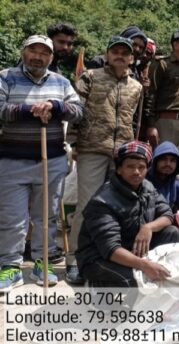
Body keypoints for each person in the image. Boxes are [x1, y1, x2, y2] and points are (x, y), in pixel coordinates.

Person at [0, 35, 84, 291]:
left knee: (46, 217)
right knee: (12, 218)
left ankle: (43, 261)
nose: (38, 56)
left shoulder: (61, 82)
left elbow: (79, 111)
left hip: (52, 159)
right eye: (33, 51)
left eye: (44, 53)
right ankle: (10, 266)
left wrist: (56, 107)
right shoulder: (6, 76)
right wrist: (29, 110)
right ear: (24, 52)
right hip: (12, 160)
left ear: (51, 57)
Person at [66, 36, 143, 285]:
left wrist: (132, 151)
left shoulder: (136, 86)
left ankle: (110, 255)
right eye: (116, 51)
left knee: (119, 206)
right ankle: (75, 260)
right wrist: (74, 144)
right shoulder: (90, 76)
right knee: (87, 204)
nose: (120, 55)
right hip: (92, 148)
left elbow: (135, 122)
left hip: (122, 154)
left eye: (125, 52)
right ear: (108, 54)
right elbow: (76, 111)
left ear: (131, 58)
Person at [76, 141, 179, 288]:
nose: (136, 172)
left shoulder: (148, 187)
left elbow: (168, 215)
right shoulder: (102, 201)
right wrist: (144, 265)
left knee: (172, 233)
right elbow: (111, 249)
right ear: (119, 169)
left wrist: (148, 228)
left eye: (141, 167)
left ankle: (154, 273)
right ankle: (95, 287)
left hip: (133, 248)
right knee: (135, 282)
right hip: (100, 258)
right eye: (130, 166)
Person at [143, 28, 179, 147]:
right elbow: (150, 95)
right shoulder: (162, 64)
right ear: (176, 44)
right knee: (165, 161)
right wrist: (151, 125)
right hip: (166, 122)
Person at [146, 141, 179, 211]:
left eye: (172, 160)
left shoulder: (178, 185)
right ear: (155, 161)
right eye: (163, 159)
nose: (168, 163)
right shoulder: (143, 180)